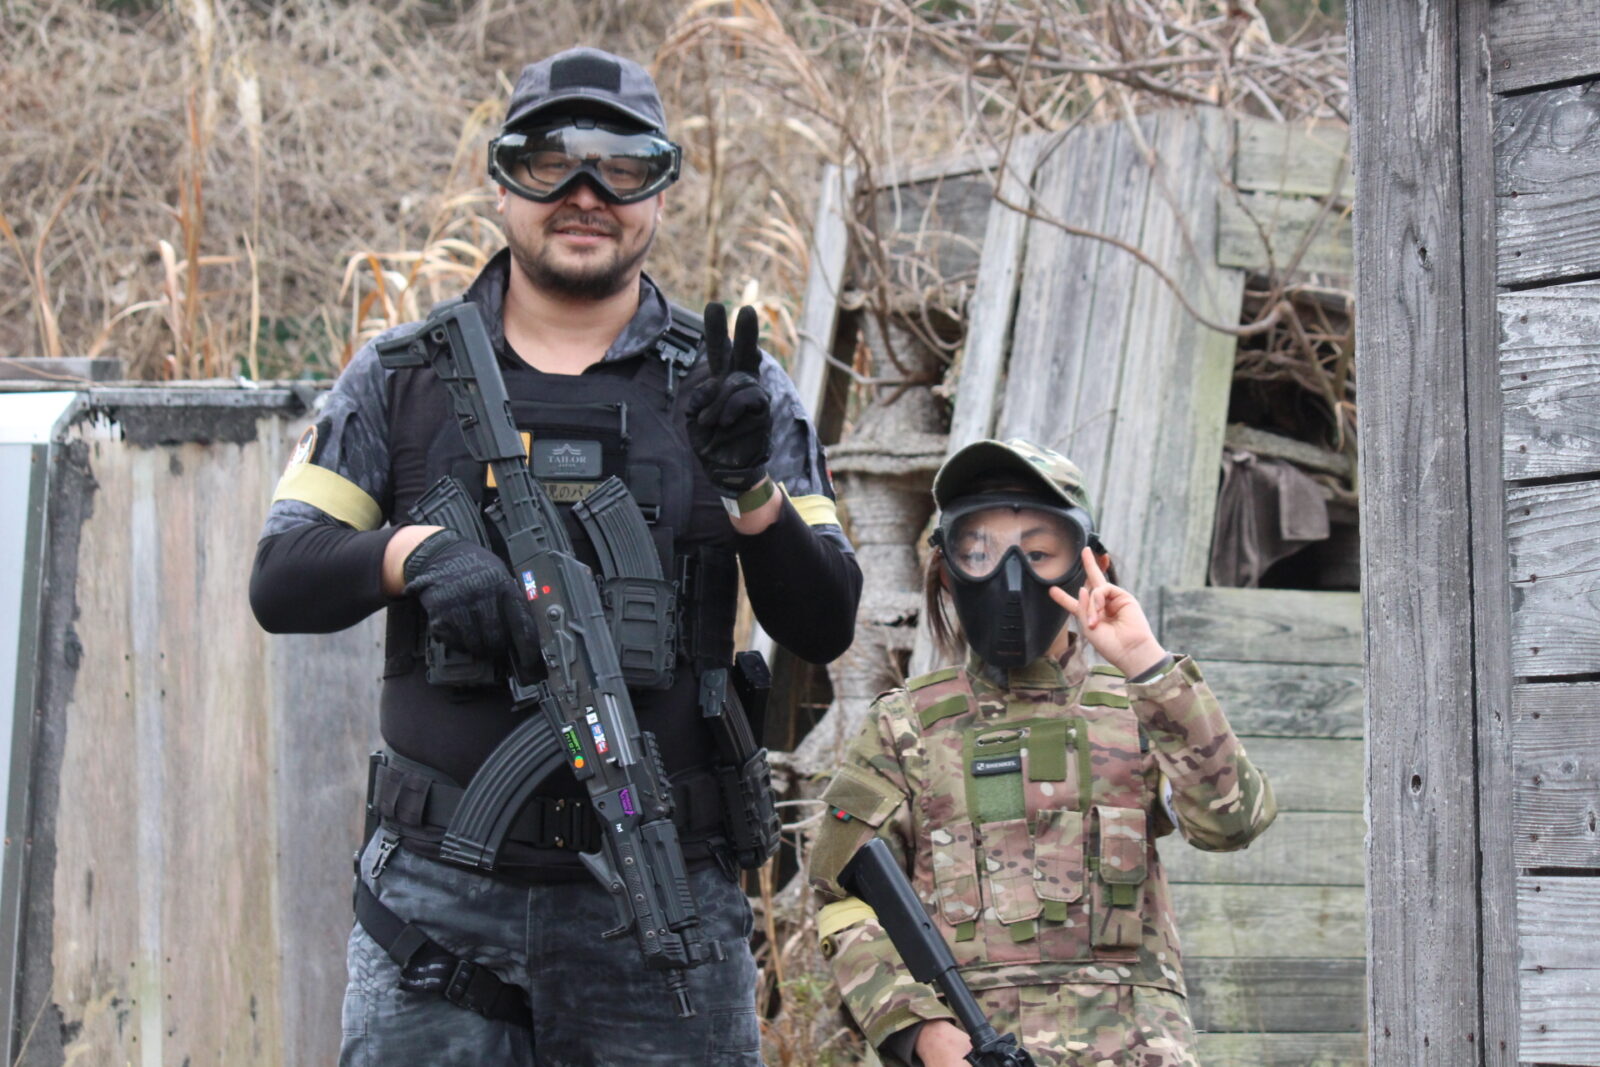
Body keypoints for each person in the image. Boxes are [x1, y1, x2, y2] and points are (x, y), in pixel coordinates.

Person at [249, 46, 861, 1065]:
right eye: (548, 163)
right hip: (438, 905)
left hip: (664, 898)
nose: (585, 195)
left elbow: (825, 620)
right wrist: (413, 554)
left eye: (622, 167)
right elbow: (282, 577)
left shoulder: (735, 388)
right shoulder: (401, 378)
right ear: (500, 185)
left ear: (659, 191)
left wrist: (750, 488)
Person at [807, 438, 1276, 1067]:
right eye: (980, 551)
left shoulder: (1143, 706)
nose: (1011, 577)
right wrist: (924, 1032)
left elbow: (1233, 821)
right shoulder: (904, 726)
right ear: (946, 568)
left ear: (1088, 565)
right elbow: (840, 896)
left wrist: (1146, 663)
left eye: (1038, 552)